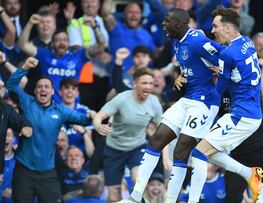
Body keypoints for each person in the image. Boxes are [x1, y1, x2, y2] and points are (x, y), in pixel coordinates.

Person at [185, 6, 263, 203]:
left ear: (227, 28)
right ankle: (247, 172)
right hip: (248, 122)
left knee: (199, 152)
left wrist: (210, 74)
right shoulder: (247, 42)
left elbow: (219, 89)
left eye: (216, 26)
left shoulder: (227, 56)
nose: (213, 30)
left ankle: (246, 174)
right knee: (205, 152)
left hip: (247, 123)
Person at [120, 8, 223, 203]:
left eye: (167, 21)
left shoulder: (197, 41)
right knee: (157, 139)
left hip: (205, 103)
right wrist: (181, 76)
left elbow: (225, 55)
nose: (163, 24)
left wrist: (221, 71)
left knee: (183, 149)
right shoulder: (177, 41)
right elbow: (193, 65)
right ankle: (135, 196)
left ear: (178, 24)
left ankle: (171, 200)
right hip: (188, 98)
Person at [6, 57, 95, 202]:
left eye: (47, 87)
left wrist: (91, 115)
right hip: (24, 170)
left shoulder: (61, 110)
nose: (43, 89)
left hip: (47, 173)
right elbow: (11, 85)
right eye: (39, 86)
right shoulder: (27, 101)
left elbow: (83, 119)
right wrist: (25, 67)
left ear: (53, 92)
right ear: (35, 91)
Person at [93, 67, 163, 202]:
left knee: (138, 179)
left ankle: (143, 200)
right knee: (114, 195)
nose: (148, 87)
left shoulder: (154, 102)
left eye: (150, 83)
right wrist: (97, 126)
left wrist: (167, 156)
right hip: (114, 148)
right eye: (144, 83)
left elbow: (163, 131)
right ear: (135, 84)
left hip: (137, 146)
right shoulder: (122, 98)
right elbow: (99, 116)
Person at [17, 13, 107, 102]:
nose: (61, 43)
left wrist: (95, 27)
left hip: (71, 107)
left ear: (69, 43)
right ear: (52, 44)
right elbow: (22, 45)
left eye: (64, 40)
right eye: (57, 40)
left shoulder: (79, 56)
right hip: (48, 107)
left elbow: (102, 45)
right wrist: (30, 23)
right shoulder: (44, 55)